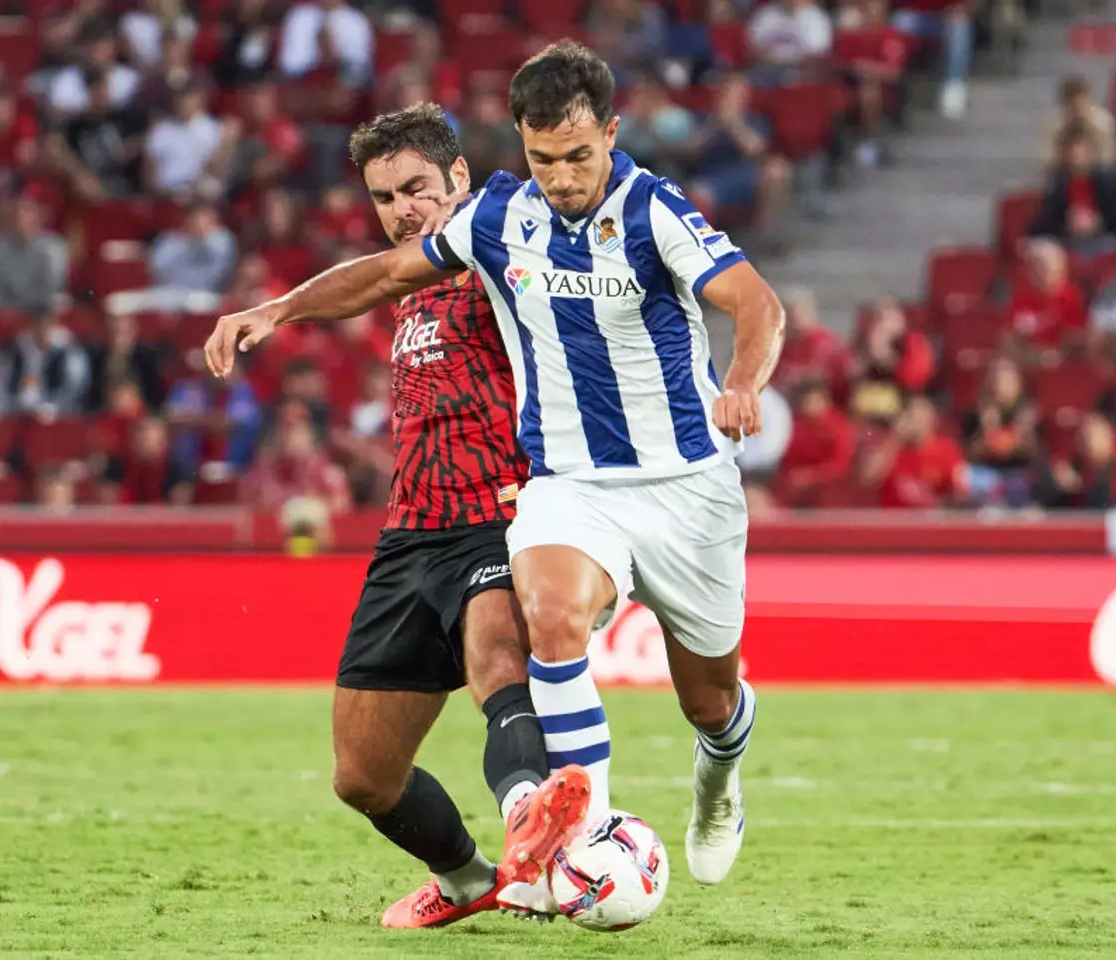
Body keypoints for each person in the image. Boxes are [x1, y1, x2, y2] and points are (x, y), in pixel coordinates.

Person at [206, 41, 784, 908]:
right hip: (567, 486)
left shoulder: (653, 208)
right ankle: (581, 844)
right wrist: (279, 308)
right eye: (544, 158)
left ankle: (719, 774)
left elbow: (755, 302)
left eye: (578, 156)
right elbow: (386, 273)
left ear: (611, 134)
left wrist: (742, 382)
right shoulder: (497, 220)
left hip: (684, 486)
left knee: (708, 701)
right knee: (547, 621)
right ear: (521, 144)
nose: (562, 177)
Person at [218, 104, 576, 931]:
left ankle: (531, 834)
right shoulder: (411, 276)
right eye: (384, 197)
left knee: (497, 660)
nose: (402, 209)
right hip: (410, 532)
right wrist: (279, 309)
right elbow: (377, 275)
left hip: (503, 511)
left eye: (416, 188)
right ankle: (467, 878)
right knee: (363, 776)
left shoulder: (504, 241)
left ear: (459, 177)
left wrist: (279, 310)